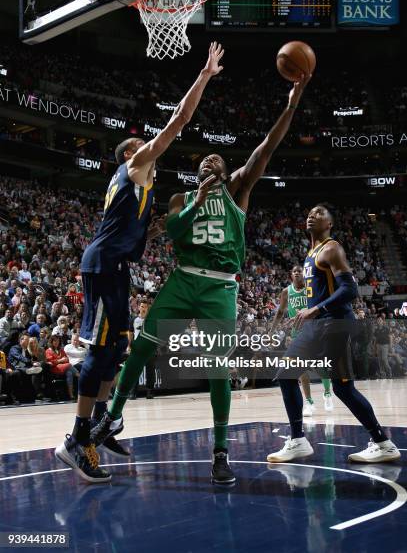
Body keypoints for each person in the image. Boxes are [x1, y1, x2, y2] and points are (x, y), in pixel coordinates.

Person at [91, 72, 312, 484]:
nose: (209, 160)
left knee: (217, 370)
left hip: (220, 287)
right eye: (203, 161)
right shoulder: (181, 199)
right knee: (140, 348)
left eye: (217, 160)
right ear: (196, 175)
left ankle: (221, 452)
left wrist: (292, 102)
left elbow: (267, 146)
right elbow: (173, 233)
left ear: (228, 171)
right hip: (183, 279)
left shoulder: (239, 189)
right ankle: (113, 418)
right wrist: (201, 200)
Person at [56, 42, 226, 483]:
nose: (152, 147)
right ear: (133, 154)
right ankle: (77, 438)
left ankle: (98, 426)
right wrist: (205, 76)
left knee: (117, 347)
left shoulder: (140, 191)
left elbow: (139, 231)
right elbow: (179, 121)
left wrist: (166, 228)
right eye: (142, 143)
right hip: (104, 264)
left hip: (114, 264)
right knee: (102, 350)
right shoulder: (133, 168)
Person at [266, 204, 400, 464]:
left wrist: (315, 308)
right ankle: (298, 440)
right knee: (286, 373)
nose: (312, 215)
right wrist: (308, 312)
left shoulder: (331, 248)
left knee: (343, 388)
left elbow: (350, 290)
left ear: (329, 224)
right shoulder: (310, 253)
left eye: (319, 213)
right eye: (310, 212)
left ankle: (382, 442)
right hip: (318, 325)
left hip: (335, 323)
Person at [270, 264, 333, 417]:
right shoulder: (286, 292)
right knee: (300, 369)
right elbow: (280, 312)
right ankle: (309, 402)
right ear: (291, 274)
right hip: (297, 333)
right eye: (295, 271)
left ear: (304, 274)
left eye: (300, 271)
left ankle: (327, 393)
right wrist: (272, 331)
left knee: (320, 365)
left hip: (314, 331)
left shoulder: (311, 289)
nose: (297, 273)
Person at [45, 335, 78, 400]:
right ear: (51, 342)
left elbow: (67, 359)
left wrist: (63, 360)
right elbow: (50, 362)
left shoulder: (61, 350)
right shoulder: (48, 351)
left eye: (58, 341)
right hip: (54, 369)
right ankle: (79, 375)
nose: (56, 342)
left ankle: (71, 394)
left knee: (69, 373)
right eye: (54, 341)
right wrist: (60, 360)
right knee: (69, 365)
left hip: (63, 368)